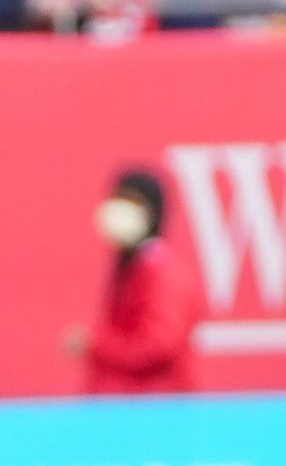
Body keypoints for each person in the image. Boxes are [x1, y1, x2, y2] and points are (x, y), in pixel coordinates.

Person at [70, 169, 202, 394]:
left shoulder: (163, 272)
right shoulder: (134, 267)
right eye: (116, 199)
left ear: (152, 212)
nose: (119, 209)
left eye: (131, 201)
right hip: (126, 405)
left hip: (151, 407)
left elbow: (158, 344)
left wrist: (97, 345)